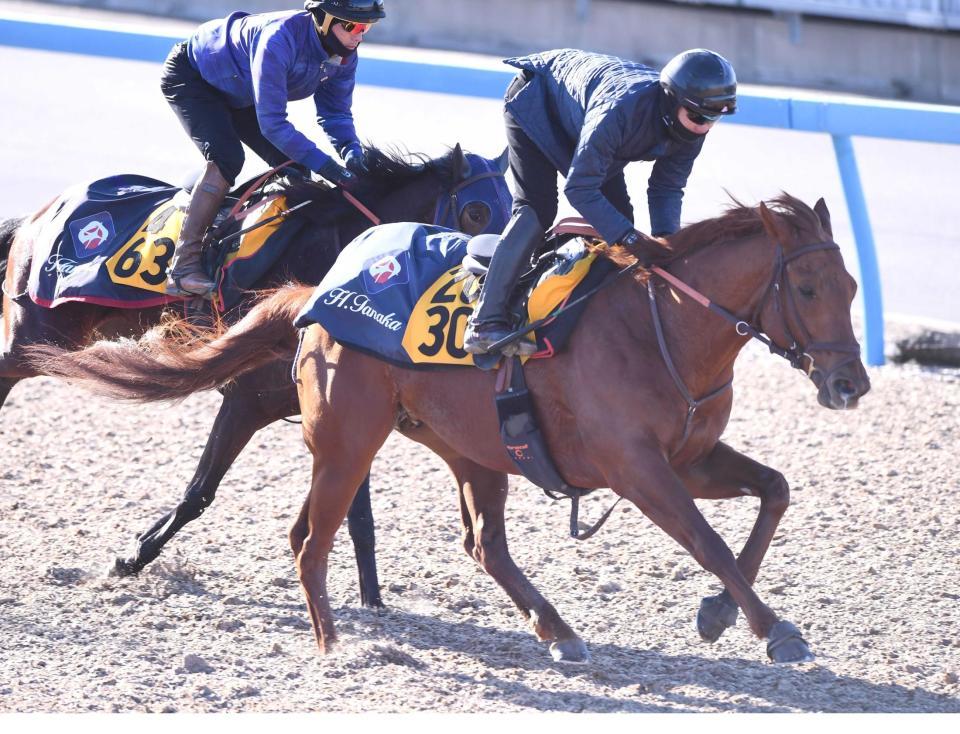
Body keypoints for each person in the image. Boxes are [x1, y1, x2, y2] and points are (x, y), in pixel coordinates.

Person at [463, 48, 737, 355]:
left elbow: (666, 188)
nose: (704, 126)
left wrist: (666, 244)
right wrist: (631, 238)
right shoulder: (620, 111)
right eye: (699, 116)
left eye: (715, 117)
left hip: (581, 118)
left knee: (619, 217)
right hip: (536, 103)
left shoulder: (692, 125)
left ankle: (600, 317)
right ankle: (484, 322)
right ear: (673, 99)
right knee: (537, 209)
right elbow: (580, 189)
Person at [160, 0, 385, 298]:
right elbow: (273, 125)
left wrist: (350, 151)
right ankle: (183, 267)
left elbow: (336, 114)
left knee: (294, 168)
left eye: (367, 27)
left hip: (241, 93)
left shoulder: (345, 56)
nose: (359, 35)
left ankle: (255, 245)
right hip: (194, 80)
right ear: (323, 19)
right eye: (352, 26)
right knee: (227, 158)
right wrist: (328, 167)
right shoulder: (278, 39)